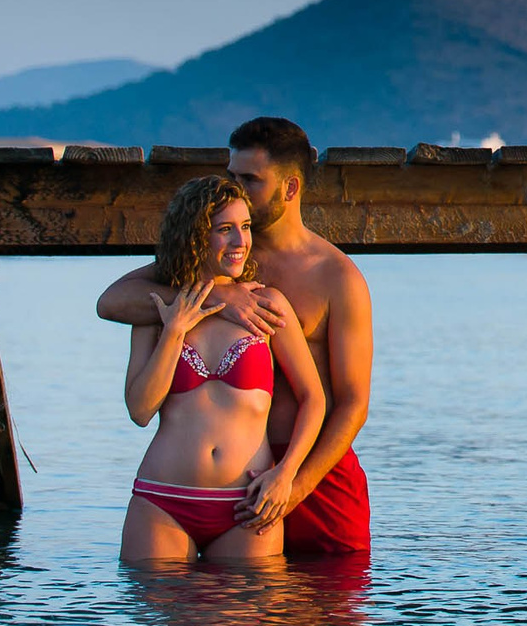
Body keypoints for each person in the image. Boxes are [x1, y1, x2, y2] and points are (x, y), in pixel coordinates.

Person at [99, 117, 374, 554]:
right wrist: (221, 298)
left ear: (290, 188)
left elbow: (353, 404)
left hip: (312, 470)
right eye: (232, 176)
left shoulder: (337, 277)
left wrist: (293, 485)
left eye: (250, 179)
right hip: (221, 481)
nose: (238, 189)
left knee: (328, 613)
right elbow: (112, 302)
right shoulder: (216, 254)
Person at [123, 176, 326, 562]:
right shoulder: (157, 311)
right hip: (163, 502)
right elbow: (140, 410)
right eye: (225, 230)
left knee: (244, 623)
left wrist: (286, 475)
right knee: (157, 622)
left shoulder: (267, 304)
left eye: (245, 227)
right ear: (195, 236)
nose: (240, 242)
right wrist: (174, 330)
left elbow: (313, 399)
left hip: (246, 506)